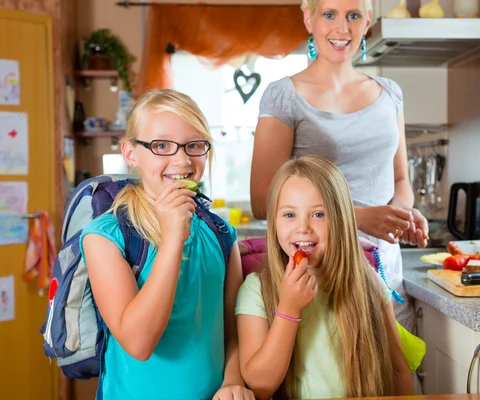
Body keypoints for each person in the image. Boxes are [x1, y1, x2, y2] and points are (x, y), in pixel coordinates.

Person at [249, 0, 428, 333]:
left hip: (385, 265)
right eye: (329, 14)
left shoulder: (390, 94)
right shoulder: (284, 96)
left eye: (353, 16)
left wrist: (400, 214)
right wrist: (358, 218)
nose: (342, 28)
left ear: (368, 21)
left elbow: (401, 181)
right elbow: (263, 200)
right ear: (308, 18)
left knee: (397, 375)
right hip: (318, 266)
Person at [80, 89, 254, 400]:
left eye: (195, 145)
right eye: (161, 145)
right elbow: (138, 343)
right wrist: (173, 239)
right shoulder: (105, 235)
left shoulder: (222, 233)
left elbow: (234, 327)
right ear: (131, 153)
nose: (183, 160)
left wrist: (232, 380)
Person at [237, 155, 414, 400]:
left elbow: (397, 370)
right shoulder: (256, 289)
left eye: (319, 214)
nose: (303, 227)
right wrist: (288, 309)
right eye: (289, 215)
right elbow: (260, 386)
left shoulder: (368, 281)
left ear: (341, 220)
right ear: (273, 223)